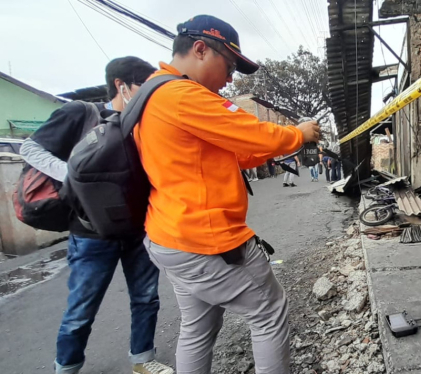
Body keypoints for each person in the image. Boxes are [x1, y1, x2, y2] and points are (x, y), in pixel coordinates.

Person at [133, 15, 320, 374]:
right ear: (201, 49)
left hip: (168, 237)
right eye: (229, 65)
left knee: (198, 327)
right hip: (207, 241)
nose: (231, 78)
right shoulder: (181, 95)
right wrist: (298, 134)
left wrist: (276, 148)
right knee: (269, 312)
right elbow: (254, 133)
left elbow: (234, 152)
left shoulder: (150, 96)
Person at [20, 57, 173, 374]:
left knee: (146, 299)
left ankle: (142, 361)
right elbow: (30, 149)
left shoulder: (144, 123)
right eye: (145, 87)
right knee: (81, 309)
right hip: (90, 233)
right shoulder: (81, 113)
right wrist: (74, 176)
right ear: (122, 86)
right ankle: (67, 367)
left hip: (138, 229)